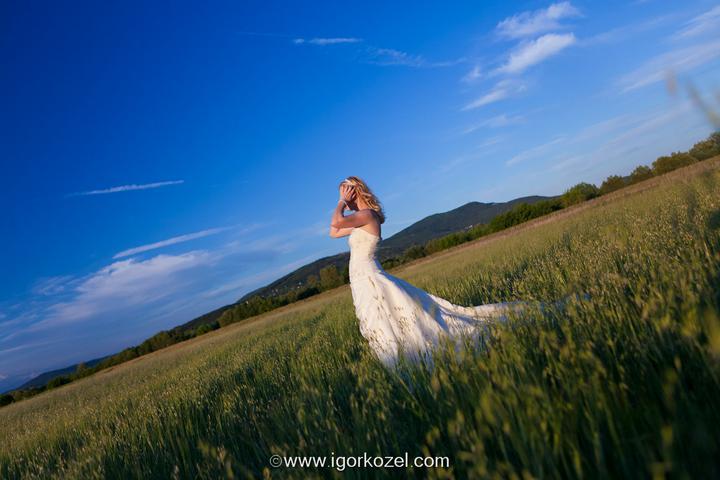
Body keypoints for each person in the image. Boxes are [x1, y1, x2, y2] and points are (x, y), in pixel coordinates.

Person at [330, 176, 525, 367]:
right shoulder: (361, 219)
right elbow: (334, 232)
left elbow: (337, 222)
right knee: (384, 321)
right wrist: (344, 202)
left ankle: (412, 358)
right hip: (361, 280)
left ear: (354, 192)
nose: (345, 200)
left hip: (370, 277)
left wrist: (341, 202)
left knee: (391, 318)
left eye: (345, 192)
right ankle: (400, 358)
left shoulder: (368, 215)